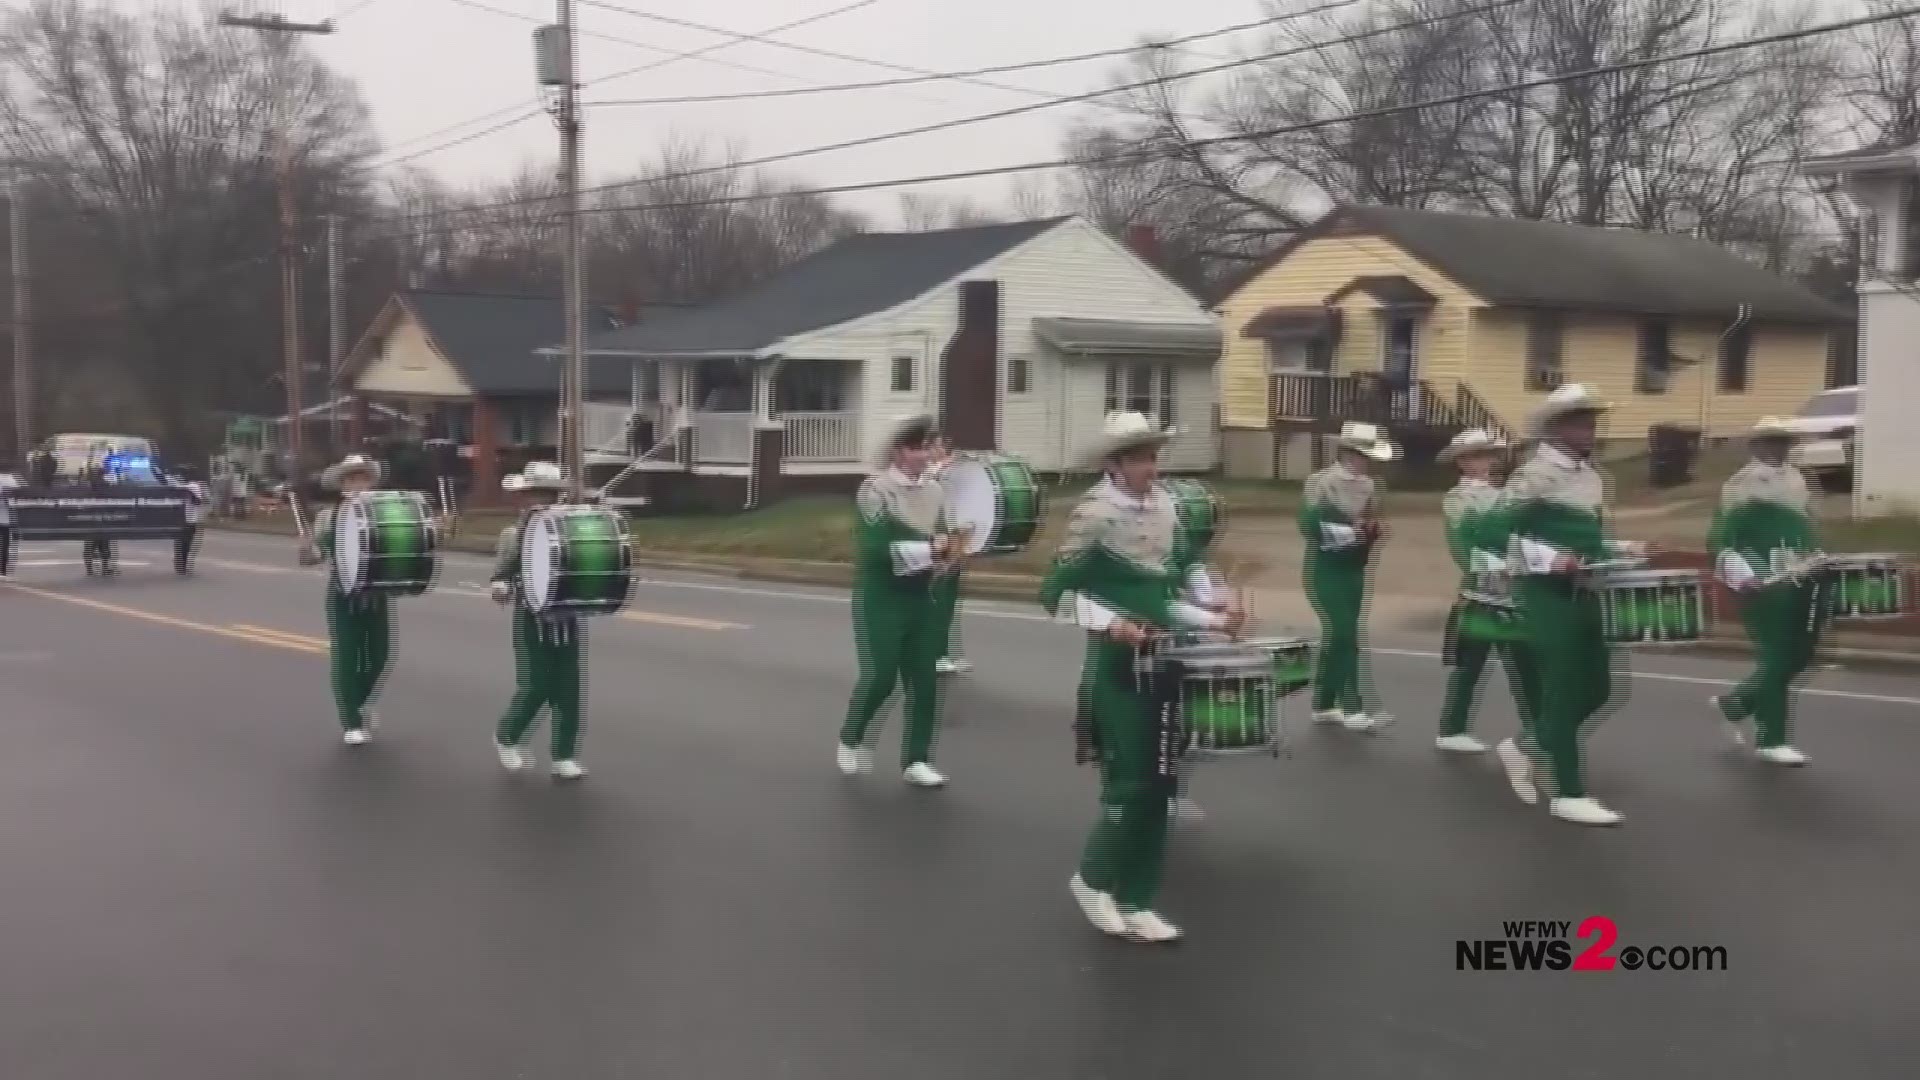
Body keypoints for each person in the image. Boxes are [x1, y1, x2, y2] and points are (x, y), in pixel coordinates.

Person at [1040, 411, 1246, 943]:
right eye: (1140, 459)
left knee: (1161, 787)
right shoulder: (1094, 514)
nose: (1152, 468)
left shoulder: (1167, 509)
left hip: (1165, 664)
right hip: (1117, 669)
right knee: (1132, 784)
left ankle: (1136, 899)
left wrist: (1215, 618)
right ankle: (1091, 881)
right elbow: (1056, 594)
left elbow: (1166, 596)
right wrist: (1114, 624)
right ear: (1116, 464)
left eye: (1154, 457)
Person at [1487, 383, 1649, 826]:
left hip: (1587, 591)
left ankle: (1524, 745)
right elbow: (1490, 532)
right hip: (1544, 596)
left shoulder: (1592, 476)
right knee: (1563, 686)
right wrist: (1548, 559)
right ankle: (1568, 793)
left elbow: (1582, 540)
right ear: (1555, 428)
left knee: (1601, 690)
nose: (1590, 429)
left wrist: (1618, 547)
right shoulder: (1533, 475)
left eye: (1592, 420)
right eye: (1580, 421)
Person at [837, 415, 962, 788]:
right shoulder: (874, 491)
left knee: (925, 679)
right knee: (882, 676)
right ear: (897, 452)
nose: (924, 455)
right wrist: (931, 549)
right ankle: (852, 734)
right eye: (915, 448)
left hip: (922, 596)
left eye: (926, 447)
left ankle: (916, 760)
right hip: (882, 595)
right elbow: (876, 551)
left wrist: (952, 554)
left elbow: (945, 538)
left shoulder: (936, 492)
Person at [1707, 417, 1825, 767]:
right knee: (1777, 657)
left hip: (1801, 576)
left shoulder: (1796, 479)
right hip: (1762, 582)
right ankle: (1770, 739)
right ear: (1755, 446)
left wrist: (1817, 555)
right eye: (1770, 441)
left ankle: (1737, 703)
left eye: (1782, 442)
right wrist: (1747, 574)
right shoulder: (1742, 485)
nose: (1777, 448)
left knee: (1801, 654)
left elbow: (1805, 527)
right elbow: (1724, 540)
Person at [1436, 429, 1542, 755]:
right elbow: (1462, 547)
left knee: (1525, 665)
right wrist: (1499, 566)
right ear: (1462, 462)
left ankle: (1539, 730)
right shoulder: (1457, 500)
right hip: (1482, 595)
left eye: (1489, 455)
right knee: (1471, 664)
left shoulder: (1504, 495)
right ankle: (1451, 729)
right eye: (1478, 456)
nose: (1487, 462)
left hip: (1514, 592)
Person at [490, 461, 591, 781]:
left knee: (569, 688)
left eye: (548, 495)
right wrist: (501, 585)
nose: (541, 501)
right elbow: (502, 573)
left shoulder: (570, 530)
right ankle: (507, 736)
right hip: (531, 615)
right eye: (534, 495)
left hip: (567, 616)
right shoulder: (514, 534)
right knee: (536, 685)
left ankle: (564, 755)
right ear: (522, 498)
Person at [1298, 421, 1396, 732]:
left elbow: (1368, 523)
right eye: (1361, 454)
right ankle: (1353, 705)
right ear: (1346, 452)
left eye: (1368, 456)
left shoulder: (1369, 486)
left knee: (1339, 636)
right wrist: (1348, 531)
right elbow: (1309, 526)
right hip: (1325, 569)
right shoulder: (1321, 482)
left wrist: (1373, 530)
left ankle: (1324, 704)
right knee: (1344, 634)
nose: (1365, 461)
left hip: (1353, 569)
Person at [297, 454, 392, 746]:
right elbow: (314, 557)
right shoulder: (331, 517)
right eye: (351, 478)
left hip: (376, 595)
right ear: (342, 485)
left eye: (362, 477)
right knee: (348, 658)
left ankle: (360, 703)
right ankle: (350, 721)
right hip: (343, 595)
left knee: (380, 655)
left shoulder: (383, 513)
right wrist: (306, 550)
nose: (357, 483)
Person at [926, 434, 973, 676]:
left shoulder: (944, 471)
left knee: (947, 602)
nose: (934, 450)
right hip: (938, 543)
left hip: (952, 541)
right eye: (932, 446)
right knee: (940, 602)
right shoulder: (932, 474)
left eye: (937, 446)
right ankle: (934, 655)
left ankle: (940, 654)